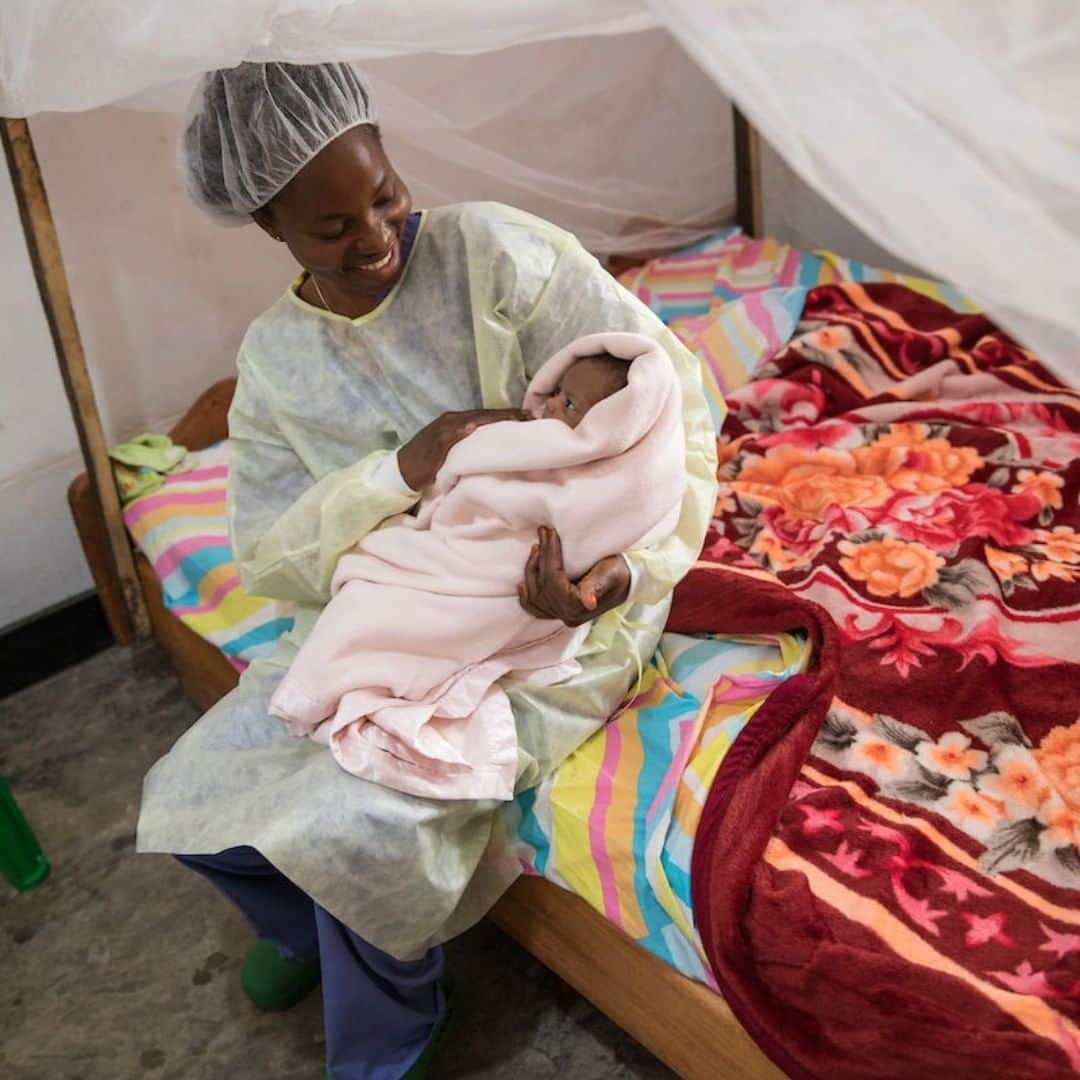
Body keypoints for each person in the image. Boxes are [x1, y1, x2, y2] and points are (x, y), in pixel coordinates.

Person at [136, 61, 718, 1080]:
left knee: (365, 817)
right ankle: (301, 929)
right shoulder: (276, 362)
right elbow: (272, 550)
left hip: (555, 619)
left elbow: (672, 419)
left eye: (386, 194)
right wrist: (401, 468)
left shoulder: (498, 255)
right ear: (271, 228)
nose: (375, 237)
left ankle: (392, 1033)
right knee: (189, 797)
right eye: (331, 228)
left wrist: (614, 582)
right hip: (404, 607)